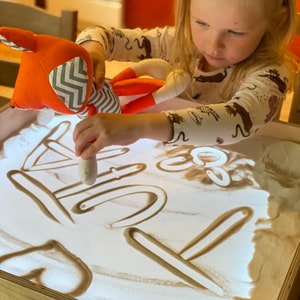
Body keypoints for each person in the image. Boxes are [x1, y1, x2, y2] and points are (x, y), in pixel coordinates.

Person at [73, 0, 297, 160]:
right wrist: (92, 49)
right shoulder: (178, 42)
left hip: (238, 171)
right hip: (172, 163)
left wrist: (137, 127)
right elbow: (98, 33)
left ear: (276, 20)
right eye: (202, 23)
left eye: (235, 32)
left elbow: (237, 119)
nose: (213, 45)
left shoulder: (272, 72)